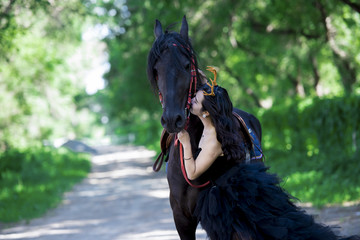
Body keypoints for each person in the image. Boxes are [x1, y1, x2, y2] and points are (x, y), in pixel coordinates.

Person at [177, 68, 359, 240]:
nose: (191, 100)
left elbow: (192, 173)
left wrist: (185, 143)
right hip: (234, 186)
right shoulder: (209, 127)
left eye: (196, 100)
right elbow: (207, 94)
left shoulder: (214, 140)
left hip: (233, 195)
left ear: (206, 112)